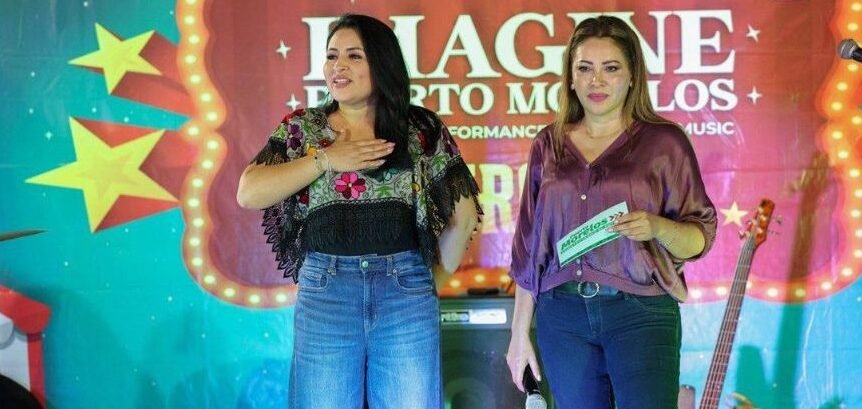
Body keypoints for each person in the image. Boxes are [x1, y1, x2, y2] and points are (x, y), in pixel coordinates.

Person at [236, 14, 481, 409]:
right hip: (327, 293)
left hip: (405, 291)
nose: (338, 66)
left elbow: (464, 214)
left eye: (354, 56)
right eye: (332, 56)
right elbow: (249, 192)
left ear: (381, 64)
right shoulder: (305, 129)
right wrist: (327, 160)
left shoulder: (418, 127)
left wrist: (429, 280)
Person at [505, 15, 717, 409]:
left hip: (640, 313)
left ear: (633, 75)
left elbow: (699, 237)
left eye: (611, 68)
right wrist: (519, 335)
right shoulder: (547, 145)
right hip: (562, 316)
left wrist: (657, 226)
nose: (596, 80)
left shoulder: (664, 142)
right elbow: (529, 251)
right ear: (570, 77)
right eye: (584, 68)